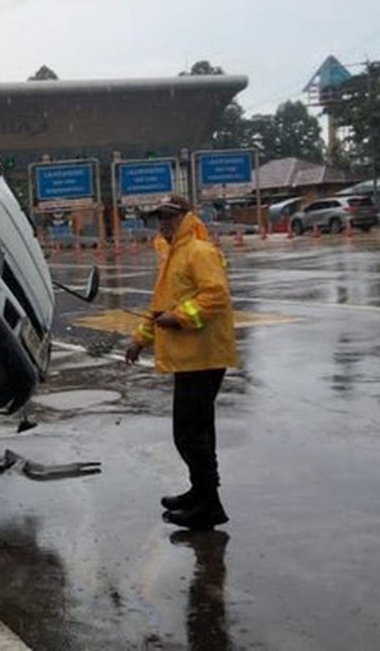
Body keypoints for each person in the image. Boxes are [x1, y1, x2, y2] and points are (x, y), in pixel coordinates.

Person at [124, 195, 238, 530]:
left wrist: (181, 318)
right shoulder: (172, 255)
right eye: (159, 217)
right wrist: (139, 339)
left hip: (204, 356)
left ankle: (209, 504)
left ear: (187, 217)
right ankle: (201, 494)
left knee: (188, 434)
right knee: (199, 432)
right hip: (189, 357)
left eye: (170, 216)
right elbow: (162, 306)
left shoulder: (199, 252)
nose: (163, 222)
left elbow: (216, 296)